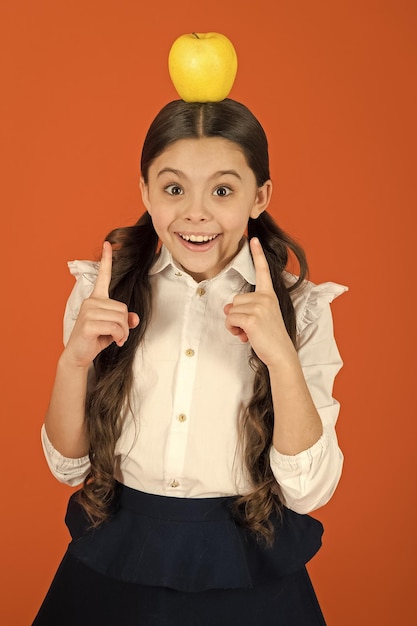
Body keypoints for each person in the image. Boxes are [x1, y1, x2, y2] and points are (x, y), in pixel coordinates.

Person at [33, 98, 347, 625]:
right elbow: (67, 467)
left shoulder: (301, 309)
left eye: (222, 190)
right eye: (174, 188)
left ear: (259, 196)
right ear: (145, 193)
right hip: (116, 563)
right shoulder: (102, 294)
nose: (196, 213)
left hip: (249, 569)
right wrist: (72, 363)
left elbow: (308, 489)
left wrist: (281, 359)